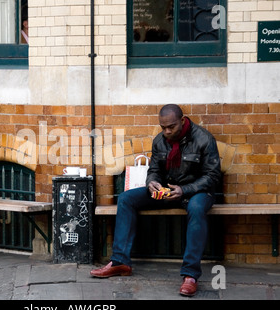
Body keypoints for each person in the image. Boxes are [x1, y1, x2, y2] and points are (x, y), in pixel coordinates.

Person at [90, 104, 221, 297]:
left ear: (182, 121)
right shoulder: (160, 141)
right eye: (163, 127)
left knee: (196, 208)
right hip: (168, 190)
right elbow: (155, 170)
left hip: (197, 192)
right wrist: (152, 182)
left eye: (171, 127)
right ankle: (120, 262)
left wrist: (185, 190)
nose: (167, 131)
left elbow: (212, 176)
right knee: (126, 199)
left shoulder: (204, 139)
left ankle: (190, 275)